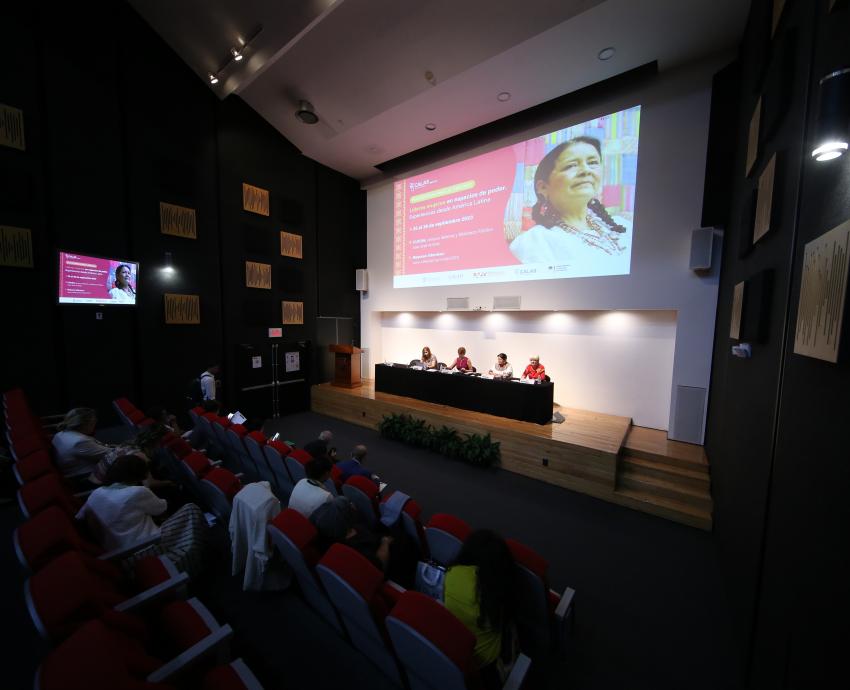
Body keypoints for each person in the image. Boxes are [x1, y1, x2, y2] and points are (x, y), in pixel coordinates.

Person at [509, 136, 630, 271]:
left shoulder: (625, 227)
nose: (586, 170)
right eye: (571, 165)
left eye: (592, 162)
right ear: (543, 187)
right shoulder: (534, 241)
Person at [75, 454, 207, 577]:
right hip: (144, 549)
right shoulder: (137, 492)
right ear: (138, 475)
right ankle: (196, 558)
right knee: (191, 509)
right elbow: (161, 508)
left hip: (116, 553)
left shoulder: (97, 492)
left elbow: (79, 517)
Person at [444, 529, 518, 676]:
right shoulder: (494, 592)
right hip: (489, 664)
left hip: (458, 655)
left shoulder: (452, 573)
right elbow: (504, 618)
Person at [52, 408, 114, 479]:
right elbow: (112, 455)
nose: (95, 425)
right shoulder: (80, 441)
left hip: (75, 470)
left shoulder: (59, 434)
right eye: (93, 422)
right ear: (84, 425)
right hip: (86, 477)